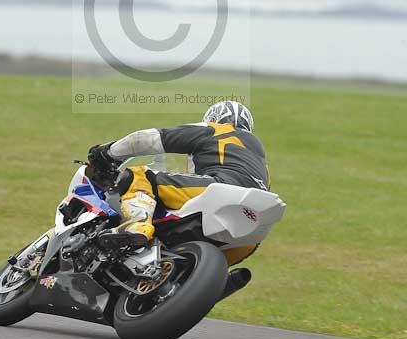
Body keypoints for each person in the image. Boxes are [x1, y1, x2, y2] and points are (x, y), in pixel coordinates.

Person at [87, 99, 270, 270]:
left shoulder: (216, 129)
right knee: (192, 270)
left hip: (222, 188)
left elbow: (146, 139)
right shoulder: (259, 157)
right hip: (250, 232)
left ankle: (137, 225)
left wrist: (107, 153)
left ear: (214, 119)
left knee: (140, 176)